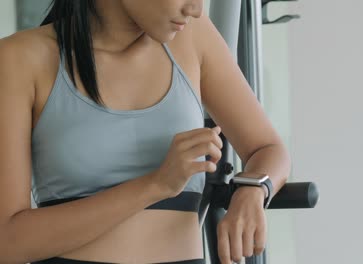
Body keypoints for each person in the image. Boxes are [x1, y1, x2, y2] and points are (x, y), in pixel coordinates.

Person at [0, 0, 291, 264]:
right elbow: (7, 242)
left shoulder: (194, 37)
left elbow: (267, 149)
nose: (196, 9)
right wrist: (156, 185)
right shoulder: (19, 59)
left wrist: (253, 188)